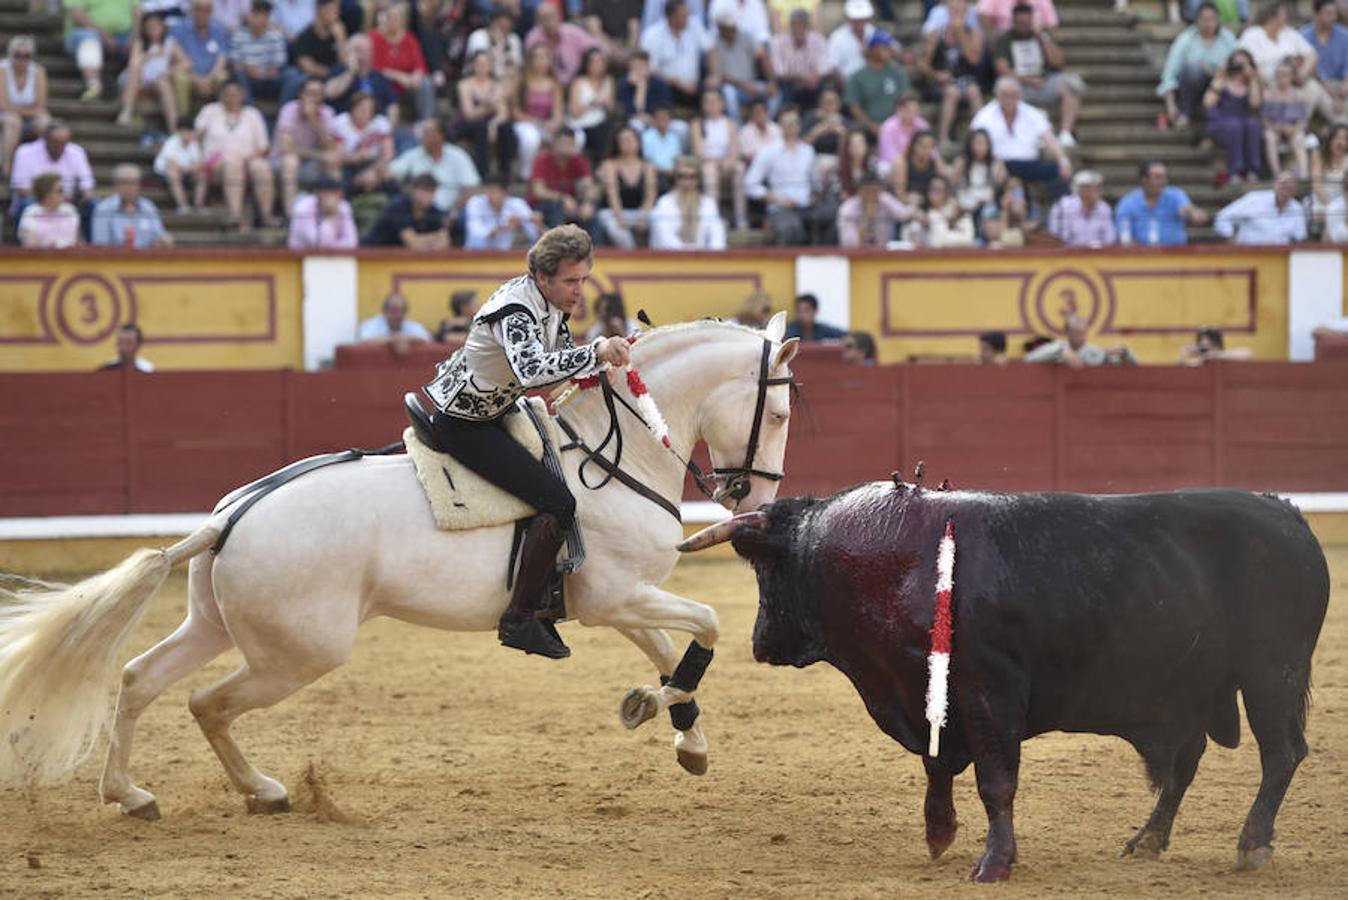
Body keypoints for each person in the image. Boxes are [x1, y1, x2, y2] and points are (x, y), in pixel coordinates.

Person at [422, 225, 633, 658]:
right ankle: (519, 618)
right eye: (572, 281)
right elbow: (534, 373)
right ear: (543, 278)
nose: (580, 290)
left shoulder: (552, 304)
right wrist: (595, 352)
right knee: (558, 502)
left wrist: (603, 365)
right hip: (467, 423)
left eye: (584, 279)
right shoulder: (516, 310)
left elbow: (559, 368)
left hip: (498, 411)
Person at [992, 2, 1084, 147]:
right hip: (1019, 84)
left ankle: (1065, 133)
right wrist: (1028, 80)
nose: (1023, 26)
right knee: (1004, 87)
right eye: (1020, 23)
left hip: (1044, 82)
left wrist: (1042, 37)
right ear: (1013, 21)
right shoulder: (1004, 39)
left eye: (1026, 23)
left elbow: (1058, 62)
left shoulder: (1042, 37)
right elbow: (1002, 69)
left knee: (1072, 85)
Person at [969, 76, 1071, 196]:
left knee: (1060, 171)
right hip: (998, 164)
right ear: (997, 95)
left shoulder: (1032, 113)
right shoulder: (985, 115)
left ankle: (1062, 210)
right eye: (1005, 94)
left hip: (1028, 164)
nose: (1009, 98)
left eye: (1013, 94)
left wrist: (1062, 159)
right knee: (996, 173)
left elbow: (1050, 138)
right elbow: (974, 140)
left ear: (1019, 95)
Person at [746, 106, 833, 245]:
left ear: (799, 125)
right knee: (791, 228)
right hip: (781, 206)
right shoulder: (768, 152)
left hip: (806, 205)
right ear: (780, 125)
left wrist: (815, 194)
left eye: (795, 122)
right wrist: (775, 198)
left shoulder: (808, 151)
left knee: (831, 216)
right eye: (787, 123)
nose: (791, 126)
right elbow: (750, 184)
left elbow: (815, 183)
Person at [196, 78, 275, 228]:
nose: (232, 97)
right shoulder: (210, 111)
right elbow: (195, 136)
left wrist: (245, 159)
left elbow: (263, 147)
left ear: (243, 95)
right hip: (217, 164)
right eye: (228, 94)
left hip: (248, 161)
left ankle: (267, 215)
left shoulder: (252, 114)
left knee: (261, 167)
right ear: (221, 95)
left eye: (236, 93)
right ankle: (235, 214)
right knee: (232, 163)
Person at [1157, 1, 1238, 130]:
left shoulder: (1228, 39)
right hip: (1192, 88)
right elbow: (1169, 73)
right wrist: (1170, 105)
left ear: (1218, 20)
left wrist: (1218, 73)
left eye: (1211, 19)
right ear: (1197, 20)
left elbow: (1239, 64)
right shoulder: (1185, 39)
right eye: (1204, 19)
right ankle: (1186, 112)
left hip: (1221, 87)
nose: (1208, 23)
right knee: (1192, 68)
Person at [272, 77, 341, 217]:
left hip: (310, 164)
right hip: (280, 162)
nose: (315, 98)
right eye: (311, 93)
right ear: (301, 94)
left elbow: (330, 146)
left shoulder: (327, 112)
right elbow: (287, 148)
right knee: (291, 161)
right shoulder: (289, 109)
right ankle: (290, 215)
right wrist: (318, 155)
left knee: (333, 160)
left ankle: (336, 211)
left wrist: (313, 120)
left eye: (319, 93)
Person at [920, 0, 985, 148]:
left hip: (966, 80)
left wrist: (961, 33)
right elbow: (923, 65)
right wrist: (936, 75)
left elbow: (974, 60)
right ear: (948, 12)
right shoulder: (937, 33)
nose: (957, 14)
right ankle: (943, 138)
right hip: (941, 82)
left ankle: (981, 135)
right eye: (953, 11)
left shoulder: (974, 32)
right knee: (952, 92)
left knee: (974, 92)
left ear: (966, 13)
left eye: (960, 11)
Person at [390, 118, 481, 217]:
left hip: (451, 210)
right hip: (419, 211)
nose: (422, 137)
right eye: (423, 133)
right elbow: (391, 171)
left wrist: (453, 213)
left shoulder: (458, 156)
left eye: (427, 133)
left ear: (440, 136)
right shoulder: (414, 154)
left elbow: (471, 188)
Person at [1114, 159, 1210, 244]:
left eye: (1164, 177)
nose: (1163, 181)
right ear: (1144, 180)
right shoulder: (1127, 203)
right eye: (1158, 177)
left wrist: (1194, 213)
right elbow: (1124, 237)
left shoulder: (1175, 195)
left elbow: (1186, 209)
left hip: (1176, 256)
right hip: (1141, 258)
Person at [1204, 48, 1263, 185]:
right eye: (1236, 64)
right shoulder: (1222, 80)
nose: (1239, 68)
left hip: (1243, 123)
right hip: (1221, 123)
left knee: (1253, 125)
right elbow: (1208, 103)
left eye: (1243, 65)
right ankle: (1234, 172)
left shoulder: (1251, 83)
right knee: (1235, 126)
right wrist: (1220, 77)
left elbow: (1255, 104)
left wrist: (1253, 78)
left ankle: (1253, 171)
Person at [371, 1, 435, 124]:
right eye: (392, 17)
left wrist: (416, 76)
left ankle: (426, 122)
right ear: (386, 19)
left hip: (407, 86)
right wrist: (400, 77)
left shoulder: (409, 38)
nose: (395, 21)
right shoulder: (375, 37)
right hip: (385, 85)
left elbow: (420, 64)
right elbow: (375, 68)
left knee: (425, 82)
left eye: (398, 18)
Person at [692, 89, 748, 230]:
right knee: (710, 171)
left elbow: (735, 149)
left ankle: (741, 217)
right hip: (707, 163)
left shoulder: (730, 123)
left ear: (722, 104)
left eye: (714, 102)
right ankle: (713, 217)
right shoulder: (697, 124)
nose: (711, 105)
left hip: (727, 163)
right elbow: (698, 150)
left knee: (740, 168)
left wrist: (728, 162)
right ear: (703, 106)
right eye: (707, 102)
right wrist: (717, 162)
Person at [513, 43, 569, 182]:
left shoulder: (555, 84)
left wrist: (554, 123)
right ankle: (527, 172)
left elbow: (558, 111)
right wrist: (536, 122)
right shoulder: (521, 82)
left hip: (546, 123)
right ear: (530, 60)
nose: (540, 61)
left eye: (544, 57)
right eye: (537, 57)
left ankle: (562, 173)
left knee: (576, 138)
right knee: (531, 138)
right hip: (526, 122)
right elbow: (516, 111)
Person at [8, 120, 96, 209]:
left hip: (70, 201)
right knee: (28, 202)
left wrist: (86, 194)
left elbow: (87, 183)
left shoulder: (77, 152)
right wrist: (53, 200)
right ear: (45, 139)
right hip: (37, 201)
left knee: (92, 203)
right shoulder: (25, 152)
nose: (61, 147)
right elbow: (20, 187)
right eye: (56, 142)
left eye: (64, 142)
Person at [705, 9, 773, 123]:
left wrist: (772, 81)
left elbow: (762, 56)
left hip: (751, 84)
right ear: (721, 29)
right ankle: (737, 127)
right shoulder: (714, 44)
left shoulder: (747, 37)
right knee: (729, 93)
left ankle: (765, 124)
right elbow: (718, 76)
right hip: (731, 86)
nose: (733, 30)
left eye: (733, 27)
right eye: (729, 28)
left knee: (774, 94)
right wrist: (744, 85)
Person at [641, 0, 712, 108]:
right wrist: (678, 83)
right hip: (666, 87)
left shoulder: (694, 25)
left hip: (692, 87)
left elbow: (711, 49)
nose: (688, 18)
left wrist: (714, 74)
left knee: (711, 89)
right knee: (658, 85)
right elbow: (649, 69)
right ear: (671, 17)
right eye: (683, 16)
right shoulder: (652, 35)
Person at [650, 154, 728, 249]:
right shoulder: (665, 202)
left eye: (692, 177)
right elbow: (665, 238)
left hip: (703, 259)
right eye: (681, 176)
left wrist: (711, 257)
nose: (686, 181)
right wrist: (688, 254)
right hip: (671, 259)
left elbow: (717, 236)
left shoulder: (708, 204)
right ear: (676, 178)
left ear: (698, 179)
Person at [65, 0, 137, 102]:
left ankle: (131, 97)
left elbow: (138, 12)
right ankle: (94, 86)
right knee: (89, 39)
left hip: (124, 37)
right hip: (87, 33)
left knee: (139, 47)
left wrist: (134, 37)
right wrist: (104, 35)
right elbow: (77, 15)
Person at [598, 125, 658, 248]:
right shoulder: (609, 164)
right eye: (624, 140)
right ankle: (633, 255)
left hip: (640, 211)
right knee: (617, 230)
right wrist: (619, 216)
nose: (628, 143)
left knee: (660, 220)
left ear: (638, 142)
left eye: (631, 139)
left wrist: (643, 216)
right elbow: (612, 194)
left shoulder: (648, 166)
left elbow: (650, 195)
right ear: (617, 144)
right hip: (614, 212)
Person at [530, 129, 598, 237]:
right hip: (544, 205)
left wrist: (588, 203)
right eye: (564, 143)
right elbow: (538, 191)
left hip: (571, 204)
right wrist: (563, 198)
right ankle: (557, 247)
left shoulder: (578, 160)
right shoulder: (542, 160)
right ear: (555, 144)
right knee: (557, 207)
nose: (568, 147)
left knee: (592, 210)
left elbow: (589, 186)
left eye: (571, 144)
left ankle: (595, 249)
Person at [845, 30, 911, 140]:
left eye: (889, 47)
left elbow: (906, 99)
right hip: (868, 128)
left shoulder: (899, 72)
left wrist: (895, 124)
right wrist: (872, 126)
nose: (890, 51)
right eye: (884, 47)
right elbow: (854, 107)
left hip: (896, 124)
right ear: (873, 50)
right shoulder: (858, 76)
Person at [170, 0, 231, 119]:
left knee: (223, 77)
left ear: (211, 11)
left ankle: (223, 119)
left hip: (212, 76)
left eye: (207, 9)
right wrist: (197, 80)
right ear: (192, 10)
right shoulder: (179, 28)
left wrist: (208, 79)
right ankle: (183, 120)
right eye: (199, 9)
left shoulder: (220, 29)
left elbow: (221, 60)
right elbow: (181, 59)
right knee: (179, 76)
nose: (202, 13)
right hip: (190, 75)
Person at [0, 36, 49, 180]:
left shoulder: (38, 71)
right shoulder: (2, 70)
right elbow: (3, 105)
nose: (22, 59)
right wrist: (28, 112)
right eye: (17, 55)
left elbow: (41, 105)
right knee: (13, 121)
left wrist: (21, 112)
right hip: (6, 116)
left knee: (45, 123)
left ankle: (43, 167)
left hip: (25, 116)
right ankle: (7, 166)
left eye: (26, 55)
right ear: (10, 55)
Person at [1214, 168, 1307, 242]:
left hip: (1280, 260)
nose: (1286, 188)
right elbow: (1223, 217)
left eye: (1291, 186)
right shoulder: (1254, 199)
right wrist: (1231, 238)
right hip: (1249, 256)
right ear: (1275, 184)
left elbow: (1300, 238)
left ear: (1296, 190)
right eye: (1283, 184)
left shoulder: (1297, 208)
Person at [91, 163, 172, 247]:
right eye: (123, 183)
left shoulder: (148, 207)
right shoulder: (104, 209)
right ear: (116, 186)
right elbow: (100, 244)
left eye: (132, 183)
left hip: (146, 258)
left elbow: (159, 234)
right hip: (115, 258)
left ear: (139, 186)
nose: (128, 187)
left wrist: (164, 240)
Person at [362, 172, 449, 247]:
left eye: (431, 192)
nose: (427, 196)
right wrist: (435, 237)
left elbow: (445, 242)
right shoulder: (399, 206)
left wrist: (423, 240)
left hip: (399, 258)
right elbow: (413, 243)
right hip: (373, 254)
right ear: (413, 190)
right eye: (424, 191)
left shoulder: (433, 210)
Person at [332, 90, 394, 195]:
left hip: (373, 163)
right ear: (352, 108)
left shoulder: (380, 123)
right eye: (361, 108)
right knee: (337, 175)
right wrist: (355, 158)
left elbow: (388, 154)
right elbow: (337, 155)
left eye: (369, 109)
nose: (365, 112)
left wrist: (373, 170)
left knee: (388, 173)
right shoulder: (341, 122)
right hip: (347, 164)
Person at [324, 33, 399, 119]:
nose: (362, 55)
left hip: (375, 124)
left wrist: (389, 128)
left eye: (365, 51)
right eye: (357, 50)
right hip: (345, 124)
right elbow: (329, 93)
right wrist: (351, 71)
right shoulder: (338, 71)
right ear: (347, 52)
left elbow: (392, 105)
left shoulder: (379, 76)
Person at [770, 8, 832, 111]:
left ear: (807, 25)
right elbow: (779, 72)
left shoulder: (818, 39)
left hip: (814, 83)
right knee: (784, 89)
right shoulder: (778, 42)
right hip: (790, 84)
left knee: (826, 87)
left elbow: (824, 67)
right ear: (791, 25)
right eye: (796, 24)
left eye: (802, 23)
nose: (799, 27)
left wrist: (814, 78)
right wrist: (802, 77)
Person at [525, 1, 600, 84]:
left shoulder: (572, 32)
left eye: (551, 16)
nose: (549, 21)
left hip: (575, 81)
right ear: (538, 21)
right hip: (546, 83)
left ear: (559, 16)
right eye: (544, 17)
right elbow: (529, 67)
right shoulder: (533, 38)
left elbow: (596, 48)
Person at [1300, 0, 1348, 124]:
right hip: (1320, 85)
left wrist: (1343, 91)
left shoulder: (1344, 35)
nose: (1333, 17)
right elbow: (1313, 72)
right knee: (1312, 89)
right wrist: (1334, 96)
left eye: (1335, 13)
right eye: (1328, 13)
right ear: (1317, 14)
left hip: (1342, 85)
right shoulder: (1302, 36)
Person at [230, 0, 288, 103]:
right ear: (250, 16)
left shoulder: (276, 36)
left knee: (292, 75)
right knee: (239, 75)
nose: (260, 19)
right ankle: (252, 111)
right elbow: (236, 64)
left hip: (269, 81)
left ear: (268, 18)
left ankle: (283, 110)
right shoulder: (238, 35)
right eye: (257, 14)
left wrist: (264, 74)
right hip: (249, 81)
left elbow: (277, 66)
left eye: (264, 15)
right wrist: (247, 69)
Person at [568, 47, 616, 170]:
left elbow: (612, 110)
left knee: (609, 129)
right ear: (587, 63)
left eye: (600, 61)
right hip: (582, 125)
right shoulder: (578, 82)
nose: (597, 65)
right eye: (594, 61)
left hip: (602, 125)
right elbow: (574, 112)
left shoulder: (609, 81)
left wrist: (607, 104)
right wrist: (591, 104)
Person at [1262, 59, 1311, 178]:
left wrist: (1293, 129)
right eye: (1278, 74)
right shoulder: (1268, 94)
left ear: (1292, 76)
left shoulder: (1299, 94)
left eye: (1285, 74)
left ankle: (1303, 174)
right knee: (1269, 136)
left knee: (1299, 137)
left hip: (1293, 130)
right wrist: (1275, 127)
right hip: (1275, 129)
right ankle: (1277, 174)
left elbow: (1303, 119)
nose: (1281, 77)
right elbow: (1264, 118)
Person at [464, 174, 541, 250]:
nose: (488, 195)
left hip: (504, 256)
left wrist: (538, 224)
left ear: (505, 193)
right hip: (476, 254)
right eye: (487, 190)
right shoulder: (475, 203)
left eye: (493, 191)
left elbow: (534, 235)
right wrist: (504, 227)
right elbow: (476, 234)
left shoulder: (517, 204)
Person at [836, 171, 911, 246]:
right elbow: (848, 244)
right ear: (859, 191)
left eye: (875, 191)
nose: (871, 195)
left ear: (880, 191)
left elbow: (906, 215)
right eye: (867, 191)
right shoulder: (848, 209)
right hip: (857, 254)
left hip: (884, 252)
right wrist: (867, 219)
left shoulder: (885, 200)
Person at [1046, 169, 1115, 246]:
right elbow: (1058, 240)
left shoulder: (1104, 208)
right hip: (1068, 255)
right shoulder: (1062, 207)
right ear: (1081, 189)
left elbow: (1109, 240)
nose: (1098, 191)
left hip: (1098, 255)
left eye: (1099, 187)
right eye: (1094, 187)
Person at [287, 174, 357, 248]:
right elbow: (316, 243)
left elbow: (352, 241)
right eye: (329, 192)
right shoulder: (303, 207)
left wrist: (334, 248)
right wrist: (330, 217)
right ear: (319, 193)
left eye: (337, 192)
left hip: (335, 256)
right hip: (299, 256)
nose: (336, 195)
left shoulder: (343, 206)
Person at [17, 172, 81, 248]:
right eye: (60, 191)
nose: (64, 194)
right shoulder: (31, 213)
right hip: (42, 258)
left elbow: (79, 242)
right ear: (47, 193)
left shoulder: (70, 210)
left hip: (70, 257)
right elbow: (32, 246)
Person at [910, 174, 976, 246]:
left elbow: (969, 239)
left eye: (939, 190)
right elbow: (936, 242)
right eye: (932, 189)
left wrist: (953, 220)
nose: (935, 194)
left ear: (947, 193)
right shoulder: (921, 215)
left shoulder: (959, 213)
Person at [154, 120, 204, 212]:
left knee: (202, 174)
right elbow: (172, 164)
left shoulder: (194, 144)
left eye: (190, 131)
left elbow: (198, 164)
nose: (188, 134)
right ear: (179, 132)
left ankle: (198, 205)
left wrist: (190, 168)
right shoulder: (171, 143)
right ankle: (183, 206)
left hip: (185, 172)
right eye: (185, 131)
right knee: (173, 172)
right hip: (164, 175)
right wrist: (190, 168)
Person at [890, 129, 948, 207]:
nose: (926, 150)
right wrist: (908, 199)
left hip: (929, 203)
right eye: (923, 146)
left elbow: (942, 189)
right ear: (913, 146)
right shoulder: (901, 163)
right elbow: (899, 194)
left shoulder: (937, 164)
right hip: (905, 204)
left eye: (930, 146)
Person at [876, 91, 931, 172]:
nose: (912, 113)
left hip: (918, 162)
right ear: (899, 109)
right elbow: (888, 155)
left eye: (915, 110)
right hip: (893, 166)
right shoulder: (888, 127)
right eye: (909, 109)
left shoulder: (922, 124)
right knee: (890, 166)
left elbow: (932, 150)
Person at [1024, 315, 1106, 368]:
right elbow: (1028, 358)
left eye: (1083, 333)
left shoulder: (1093, 350)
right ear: (1067, 332)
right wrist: (1060, 351)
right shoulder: (1058, 347)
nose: (1081, 337)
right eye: (1076, 333)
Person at [828, 0, 877, 82]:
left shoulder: (875, 33)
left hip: (874, 83)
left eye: (862, 18)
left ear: (868, 18)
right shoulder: (837, 37)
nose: (859, 21)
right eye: (855, 18)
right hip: (848, 83)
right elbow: (832, 66)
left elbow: (894, 50)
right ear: (848, 18)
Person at [641, 103, 685, 182]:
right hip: (655, 174)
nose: (663, 119)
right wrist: (665, 172)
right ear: (653, 119)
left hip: (673, 174)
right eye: (659, 117)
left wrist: (675, 170)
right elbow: (646, 160)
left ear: (670, 119)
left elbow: (678, 158)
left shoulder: (675, 137)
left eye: (665, 116)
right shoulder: (646, 137)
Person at [740, 96, 784, 166]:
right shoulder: (745, 131)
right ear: (751, 114)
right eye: (756, 112)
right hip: (753, 166)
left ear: (767, 113)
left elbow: (781, 151)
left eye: (761, 111)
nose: (759, 115)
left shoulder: (776, 129)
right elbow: (747, 156)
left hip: (775, 166)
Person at [1179, 325, 1252, 364]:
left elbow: (1247, 353)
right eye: (1202, 341)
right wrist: (1183, 355)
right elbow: (1183, 369)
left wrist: (1218, 355)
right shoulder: (1201, 361)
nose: (1204, 343)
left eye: (1210, 342)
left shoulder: (1226, 358)